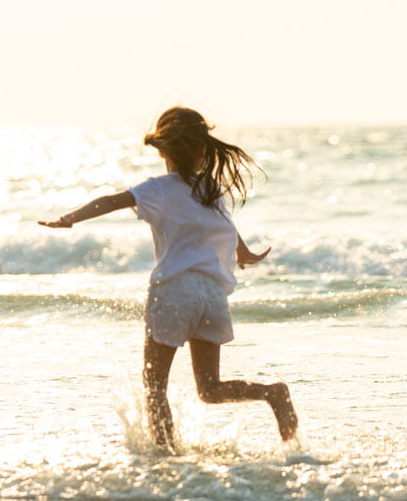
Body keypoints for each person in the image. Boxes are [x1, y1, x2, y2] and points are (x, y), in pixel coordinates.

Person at [39, 107, 299, 451]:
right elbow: (224, 225)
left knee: (155, 386)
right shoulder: (210, 190)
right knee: (210, 389)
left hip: (175, 292)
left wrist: (71, 218)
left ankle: (165, 458)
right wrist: (243, 252)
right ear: (203, 149)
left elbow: (112, 201)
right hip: (212, 297)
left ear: (162, 149)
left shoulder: (157, 190)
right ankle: (270, 393)